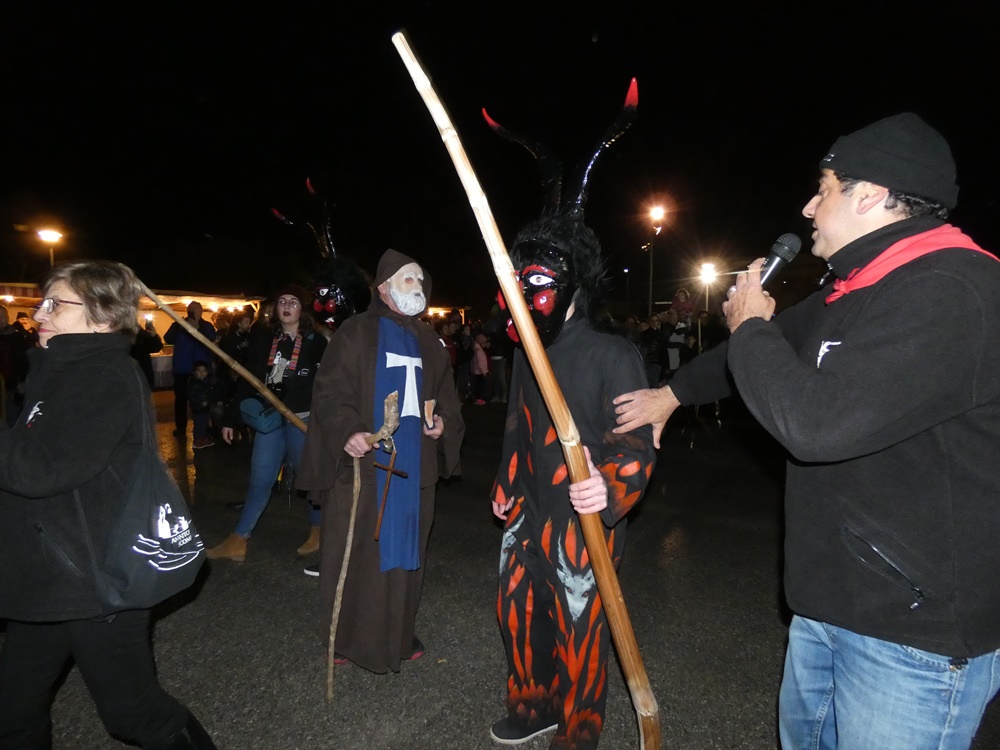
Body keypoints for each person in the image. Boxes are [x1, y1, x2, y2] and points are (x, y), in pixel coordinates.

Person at [614, 112, 1000, 749]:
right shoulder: (858, 286)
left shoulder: (951, 288)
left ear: (869, 195)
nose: (808, 207)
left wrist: (750, 326)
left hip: (912, 637)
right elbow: (766, 352)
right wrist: (673, 394)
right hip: (830, 607)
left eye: (823, 189)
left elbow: (816, 426)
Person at [485, 78, 655, 750]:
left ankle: (580, 728)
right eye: (515, 283)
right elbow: (517, 423)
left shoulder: (614, 355)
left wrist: (610, 487)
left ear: (574, 289)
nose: (520, 298)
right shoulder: (526, 352)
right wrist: (506, 480)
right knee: (517, 612)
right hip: (528, 509)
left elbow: (637, 442)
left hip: (581, 517)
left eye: (535, 284)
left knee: (581, 625)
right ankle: (533, 706)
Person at [0, 260, 215, 749]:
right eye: (41, 302)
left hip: (95, 580)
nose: (39, 313)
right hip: (50, 574)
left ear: (102, 318)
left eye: (55, 304)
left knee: (135, 715)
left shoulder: (100, 375)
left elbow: (40, 470)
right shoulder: (60, 370)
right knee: (12, 709)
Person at [296, 248, 464, 673]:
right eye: (409, 278)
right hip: (364, 468)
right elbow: (331, 391)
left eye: (421, 280)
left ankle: (398, 634)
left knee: (407, 554)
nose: (418, 286)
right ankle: (346, 638)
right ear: (384, 286)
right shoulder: (355, 332)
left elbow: (448, 397)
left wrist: (443, 423)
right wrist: (349, 430)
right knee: (356, 553)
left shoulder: (430, 342)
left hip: (414, 469)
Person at [206, 284, 328, 561]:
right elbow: (248, 380)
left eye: (293, 302)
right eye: (282, 301)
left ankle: (319, 531)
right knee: (260, 479)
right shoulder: (264, 339)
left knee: (308, 479)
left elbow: (326, 384)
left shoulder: (316, 343)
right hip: (270, 420)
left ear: (302, 309)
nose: (286, 306)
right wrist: (230, 418)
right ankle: (238, 540)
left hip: (302, 420)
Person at [163, 301, 216, 440]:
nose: (192, 311)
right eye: (190, 309)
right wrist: (178, 325)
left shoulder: (206, 326)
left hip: (201, 369)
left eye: (195, 309)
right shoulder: (179, 324)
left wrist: (198, 328)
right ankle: (181, 427)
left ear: (201, 311)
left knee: (203, 398)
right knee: (181, 399)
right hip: (182, 368)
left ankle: (205, 426)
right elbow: (167, 338)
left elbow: (211, 339)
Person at [0, 305, 29, 426]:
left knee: (12, 420)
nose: (1, 319)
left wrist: (22, 381)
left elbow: (24, 360)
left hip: (12, 388)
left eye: (2, 316)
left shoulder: (16, 337)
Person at [186, 360, 216, 449]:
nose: (201, 373)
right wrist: (200, 402)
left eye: (204, 371)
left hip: (205, 408)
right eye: (199, 371)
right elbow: (191, 395)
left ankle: (203, 438)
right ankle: (197, 440)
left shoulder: (206, 382)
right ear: (194, 372)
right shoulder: (193, 383)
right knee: (199, 424)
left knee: (204, 423)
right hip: (198, 408)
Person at [131, 315, 165, 389]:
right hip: (133, 370)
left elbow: (156, 348)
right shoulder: (121, 334)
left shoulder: (142, 334)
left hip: (143, 370)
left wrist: (153, 336)